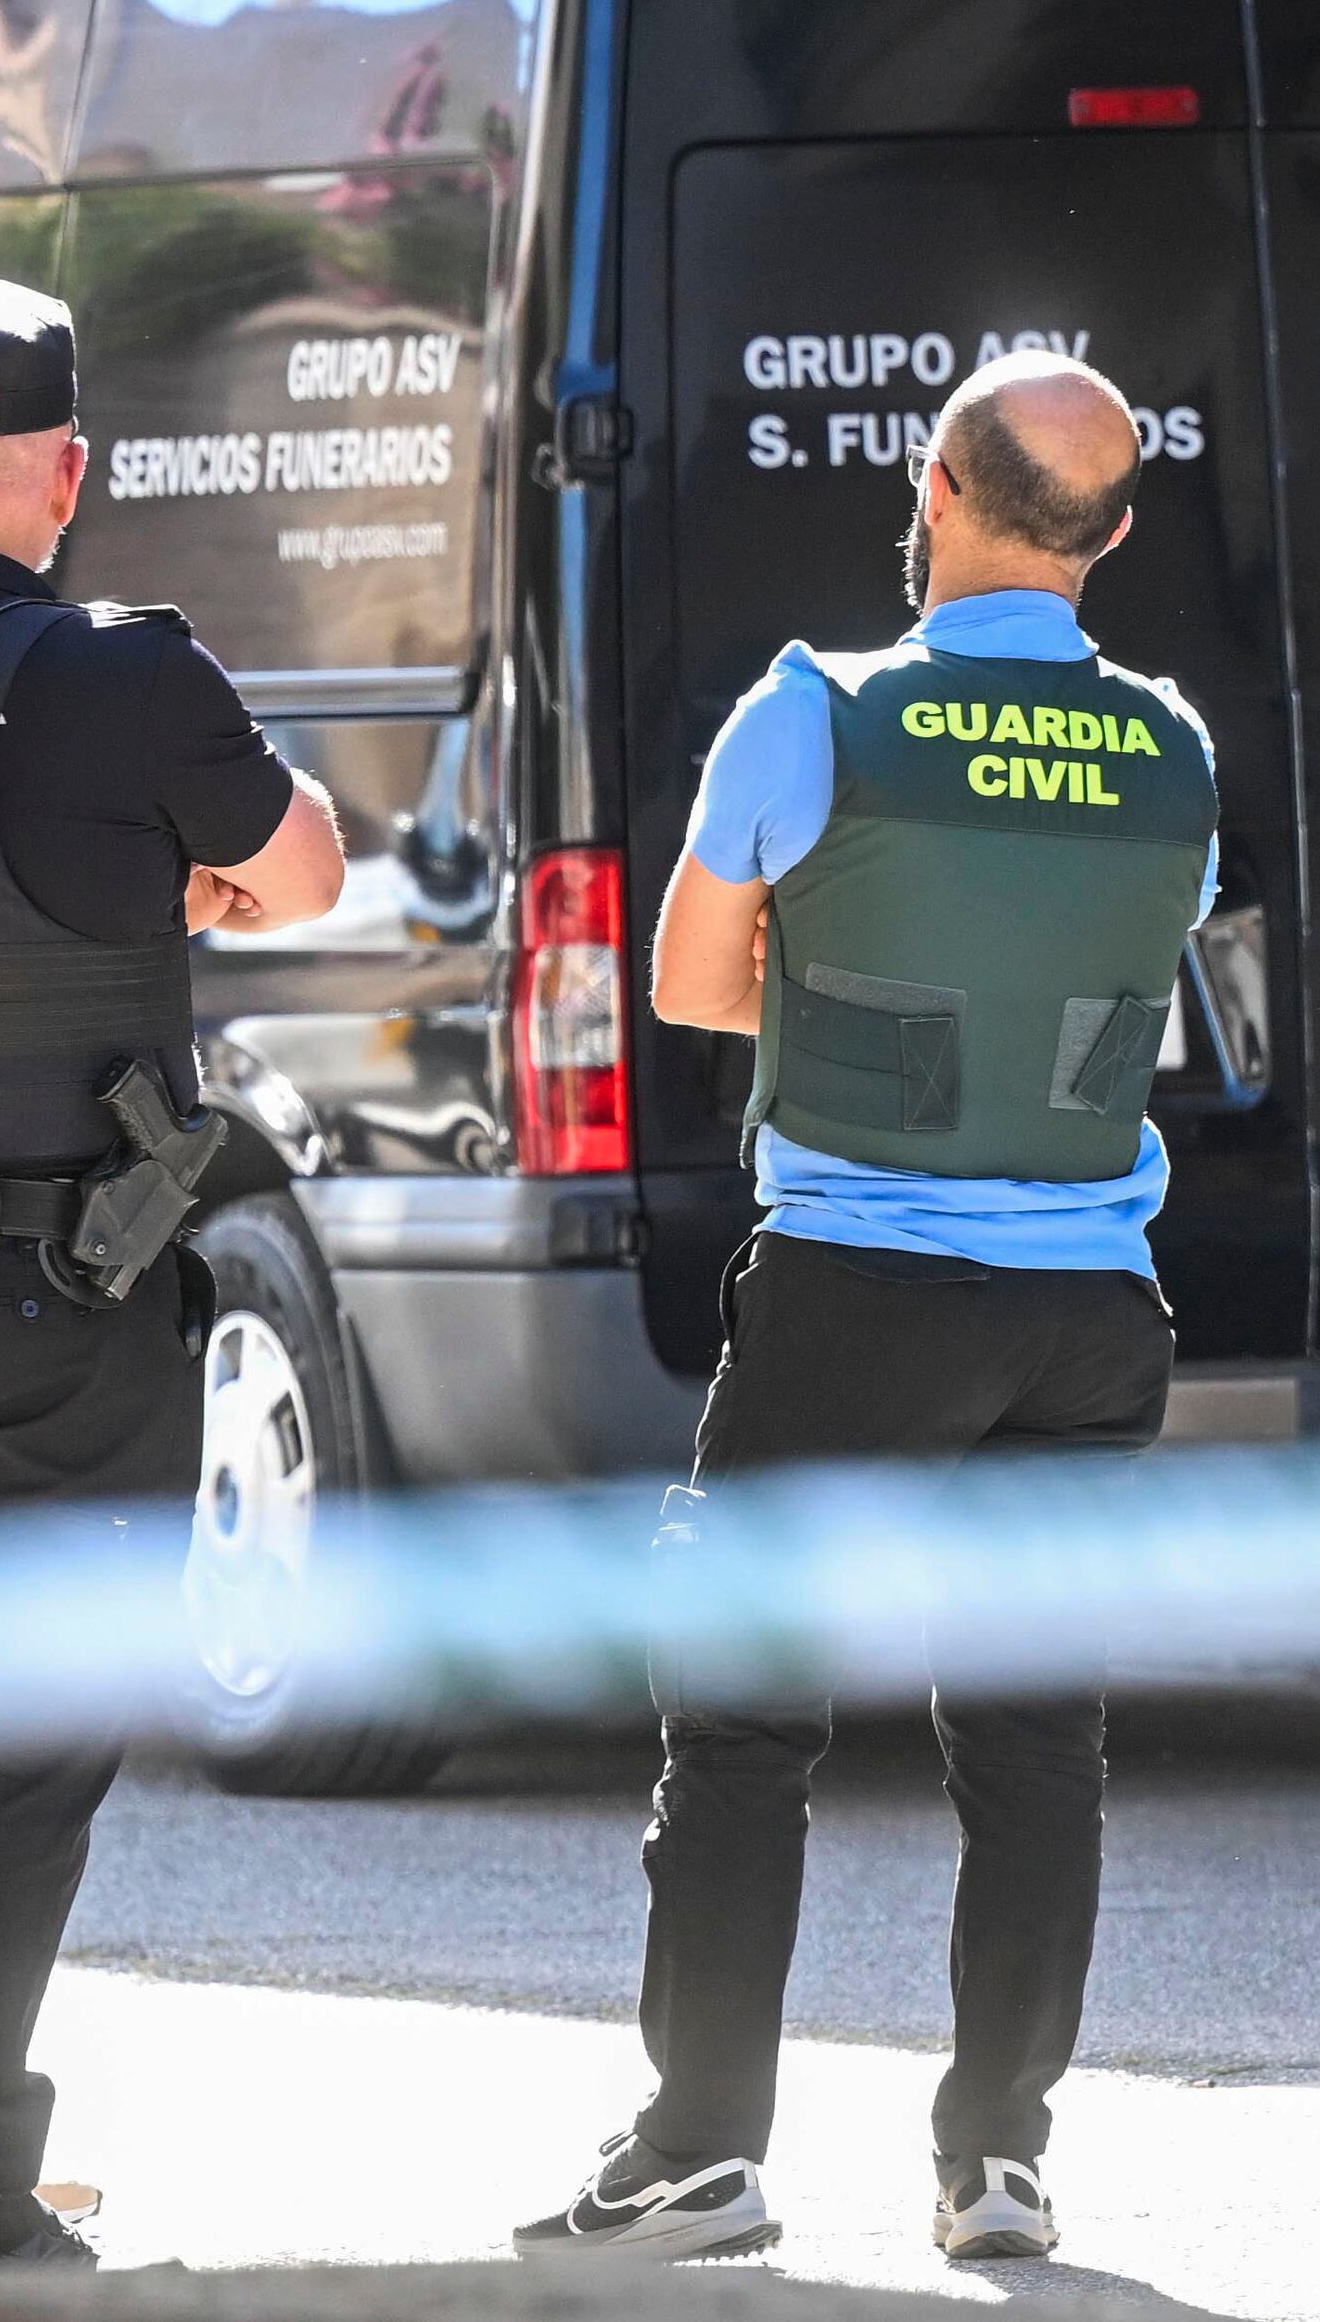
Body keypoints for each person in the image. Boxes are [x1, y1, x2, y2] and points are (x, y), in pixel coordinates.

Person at [518, 349, 1214, 2272]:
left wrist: (869, 1012)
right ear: (1117, 537)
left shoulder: (817, 710)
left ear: (934, 487)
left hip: (861, 1287)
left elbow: (691, 982)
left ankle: (699, 2152)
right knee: (1031, 1738)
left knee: (741, 1721)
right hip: (1089, 1307)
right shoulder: (1174, 748)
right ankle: (999, 2160)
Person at [0, 276, 345, 2270]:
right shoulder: (122, 675)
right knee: (13, 1747)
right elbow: (303, 873)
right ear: (65, 478)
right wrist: (183, 859)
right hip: (50, 1296)